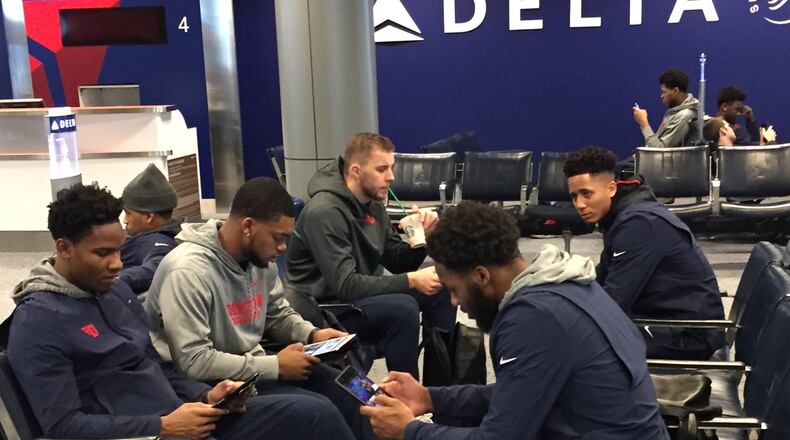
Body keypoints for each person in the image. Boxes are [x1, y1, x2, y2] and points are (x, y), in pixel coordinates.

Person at [6, 183, 354, 440]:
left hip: (182, 414)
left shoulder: (114, 293)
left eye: (119, 251)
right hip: (151, 431)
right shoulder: (38, 322)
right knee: (311, 412)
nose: (116, 264)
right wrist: (161, 426)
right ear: (64, 248)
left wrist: (206, 396)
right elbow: (63, 425)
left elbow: (156, 367)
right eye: (101, 254)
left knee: (316, 408)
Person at [360, 202, 669, 440]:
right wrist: (430, 398)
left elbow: (500, 436)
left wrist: (410, 432)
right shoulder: (568, 283)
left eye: (454, 289)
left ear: (481, 275)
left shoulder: (531, 319)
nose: (453, 301)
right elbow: (519, 392)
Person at [144, 177, 375, 440]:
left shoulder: (259, 260)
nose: (282, 248)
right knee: (317, 412)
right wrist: (275, 366)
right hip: (212, 388)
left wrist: (312, 335)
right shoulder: (187, 271)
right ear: (248, 226)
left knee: (353, 387)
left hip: (253, 367)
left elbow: (277, 313)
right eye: (278, 238)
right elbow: (193, 361)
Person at [285, 132, 456, 378]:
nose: (391, 176)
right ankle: (402, 402)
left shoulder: (373, 202)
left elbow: (396, 262)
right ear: (356, 170)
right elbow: (346, 285)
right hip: (325, 308)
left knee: (442, 288)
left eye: (391, 168)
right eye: (382, 169)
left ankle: (437, 393)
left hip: (359, 299)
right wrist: (410, 280)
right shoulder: (325, 212)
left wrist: (422, 238)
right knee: (402, 307)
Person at [564, 146, 726, 360]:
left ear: (611, 188)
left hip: (688, 334)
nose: (579, 204)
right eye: (574, 197)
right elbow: (599, 281)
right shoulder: (621, 218)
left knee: (575, 345)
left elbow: (614, 300)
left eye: (586, 194)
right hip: (661, 320)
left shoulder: (639, 224)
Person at [118, 163, 181, 296]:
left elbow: (158, 267)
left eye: (128, 213)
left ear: (148, 217)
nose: (125, 220)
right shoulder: (147, 237)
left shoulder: (157, 241)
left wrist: (111, 281)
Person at [633, 68, 701, 149]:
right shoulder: (675, 111)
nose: (661, 96)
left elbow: (659, 151)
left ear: (675, 90)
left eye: (664, 92)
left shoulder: (684, 116)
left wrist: (644, 124)